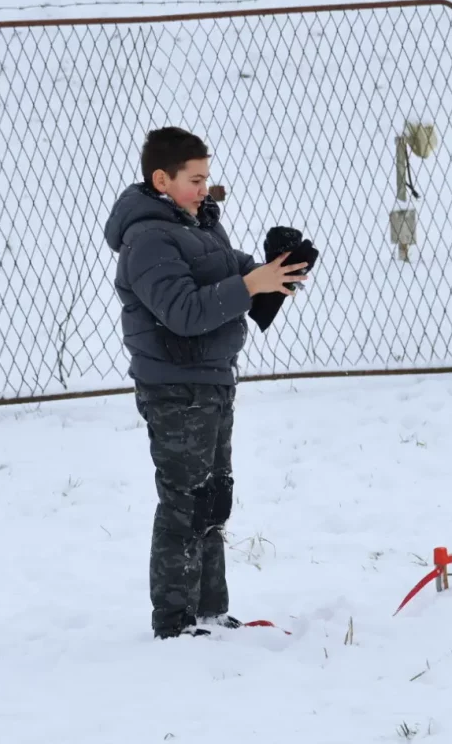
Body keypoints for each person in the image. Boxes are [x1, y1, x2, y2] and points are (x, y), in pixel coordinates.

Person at [103, 126, 306, 639]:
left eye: (206, 178)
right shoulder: (148, 239)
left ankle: (210, 613)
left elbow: (237, 278)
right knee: (184, 503)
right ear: (161, 179)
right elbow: (184, 313)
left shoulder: (200, 227)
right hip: (174, 386)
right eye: (194, 180)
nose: (204, 188)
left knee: (214, 498)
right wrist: (248, 285)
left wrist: (277, 270)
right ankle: (174, 621)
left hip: (212, 381)